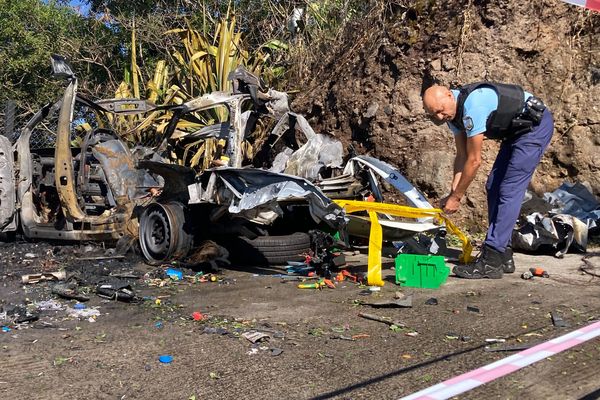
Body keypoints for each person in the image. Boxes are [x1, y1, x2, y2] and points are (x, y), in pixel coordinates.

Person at [422, 82, 554, 279]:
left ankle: (491, 259)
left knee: (509, 189)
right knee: (493, 184)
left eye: (440, 111)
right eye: (434, 115)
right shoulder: (452, 115)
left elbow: (474, 161)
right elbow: (462, 156)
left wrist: (457, 198)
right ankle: (503, 255)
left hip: (535, 127)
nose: (440, 118)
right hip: (515, 131)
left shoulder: (473, 106)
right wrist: (453, 192)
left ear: (450, 96)